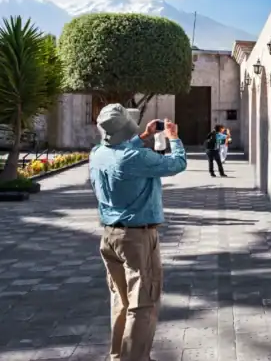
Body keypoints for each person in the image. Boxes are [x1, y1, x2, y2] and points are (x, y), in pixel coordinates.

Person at [89, 104, 187, 361]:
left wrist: (143, 136)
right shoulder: (135, 159)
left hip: (110, 236)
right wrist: (174, 137)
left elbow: (121, 150)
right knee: (144, 303)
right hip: (137, 238)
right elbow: (177, 163)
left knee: (120, 301)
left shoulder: (97, 153)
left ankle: (118, 356)